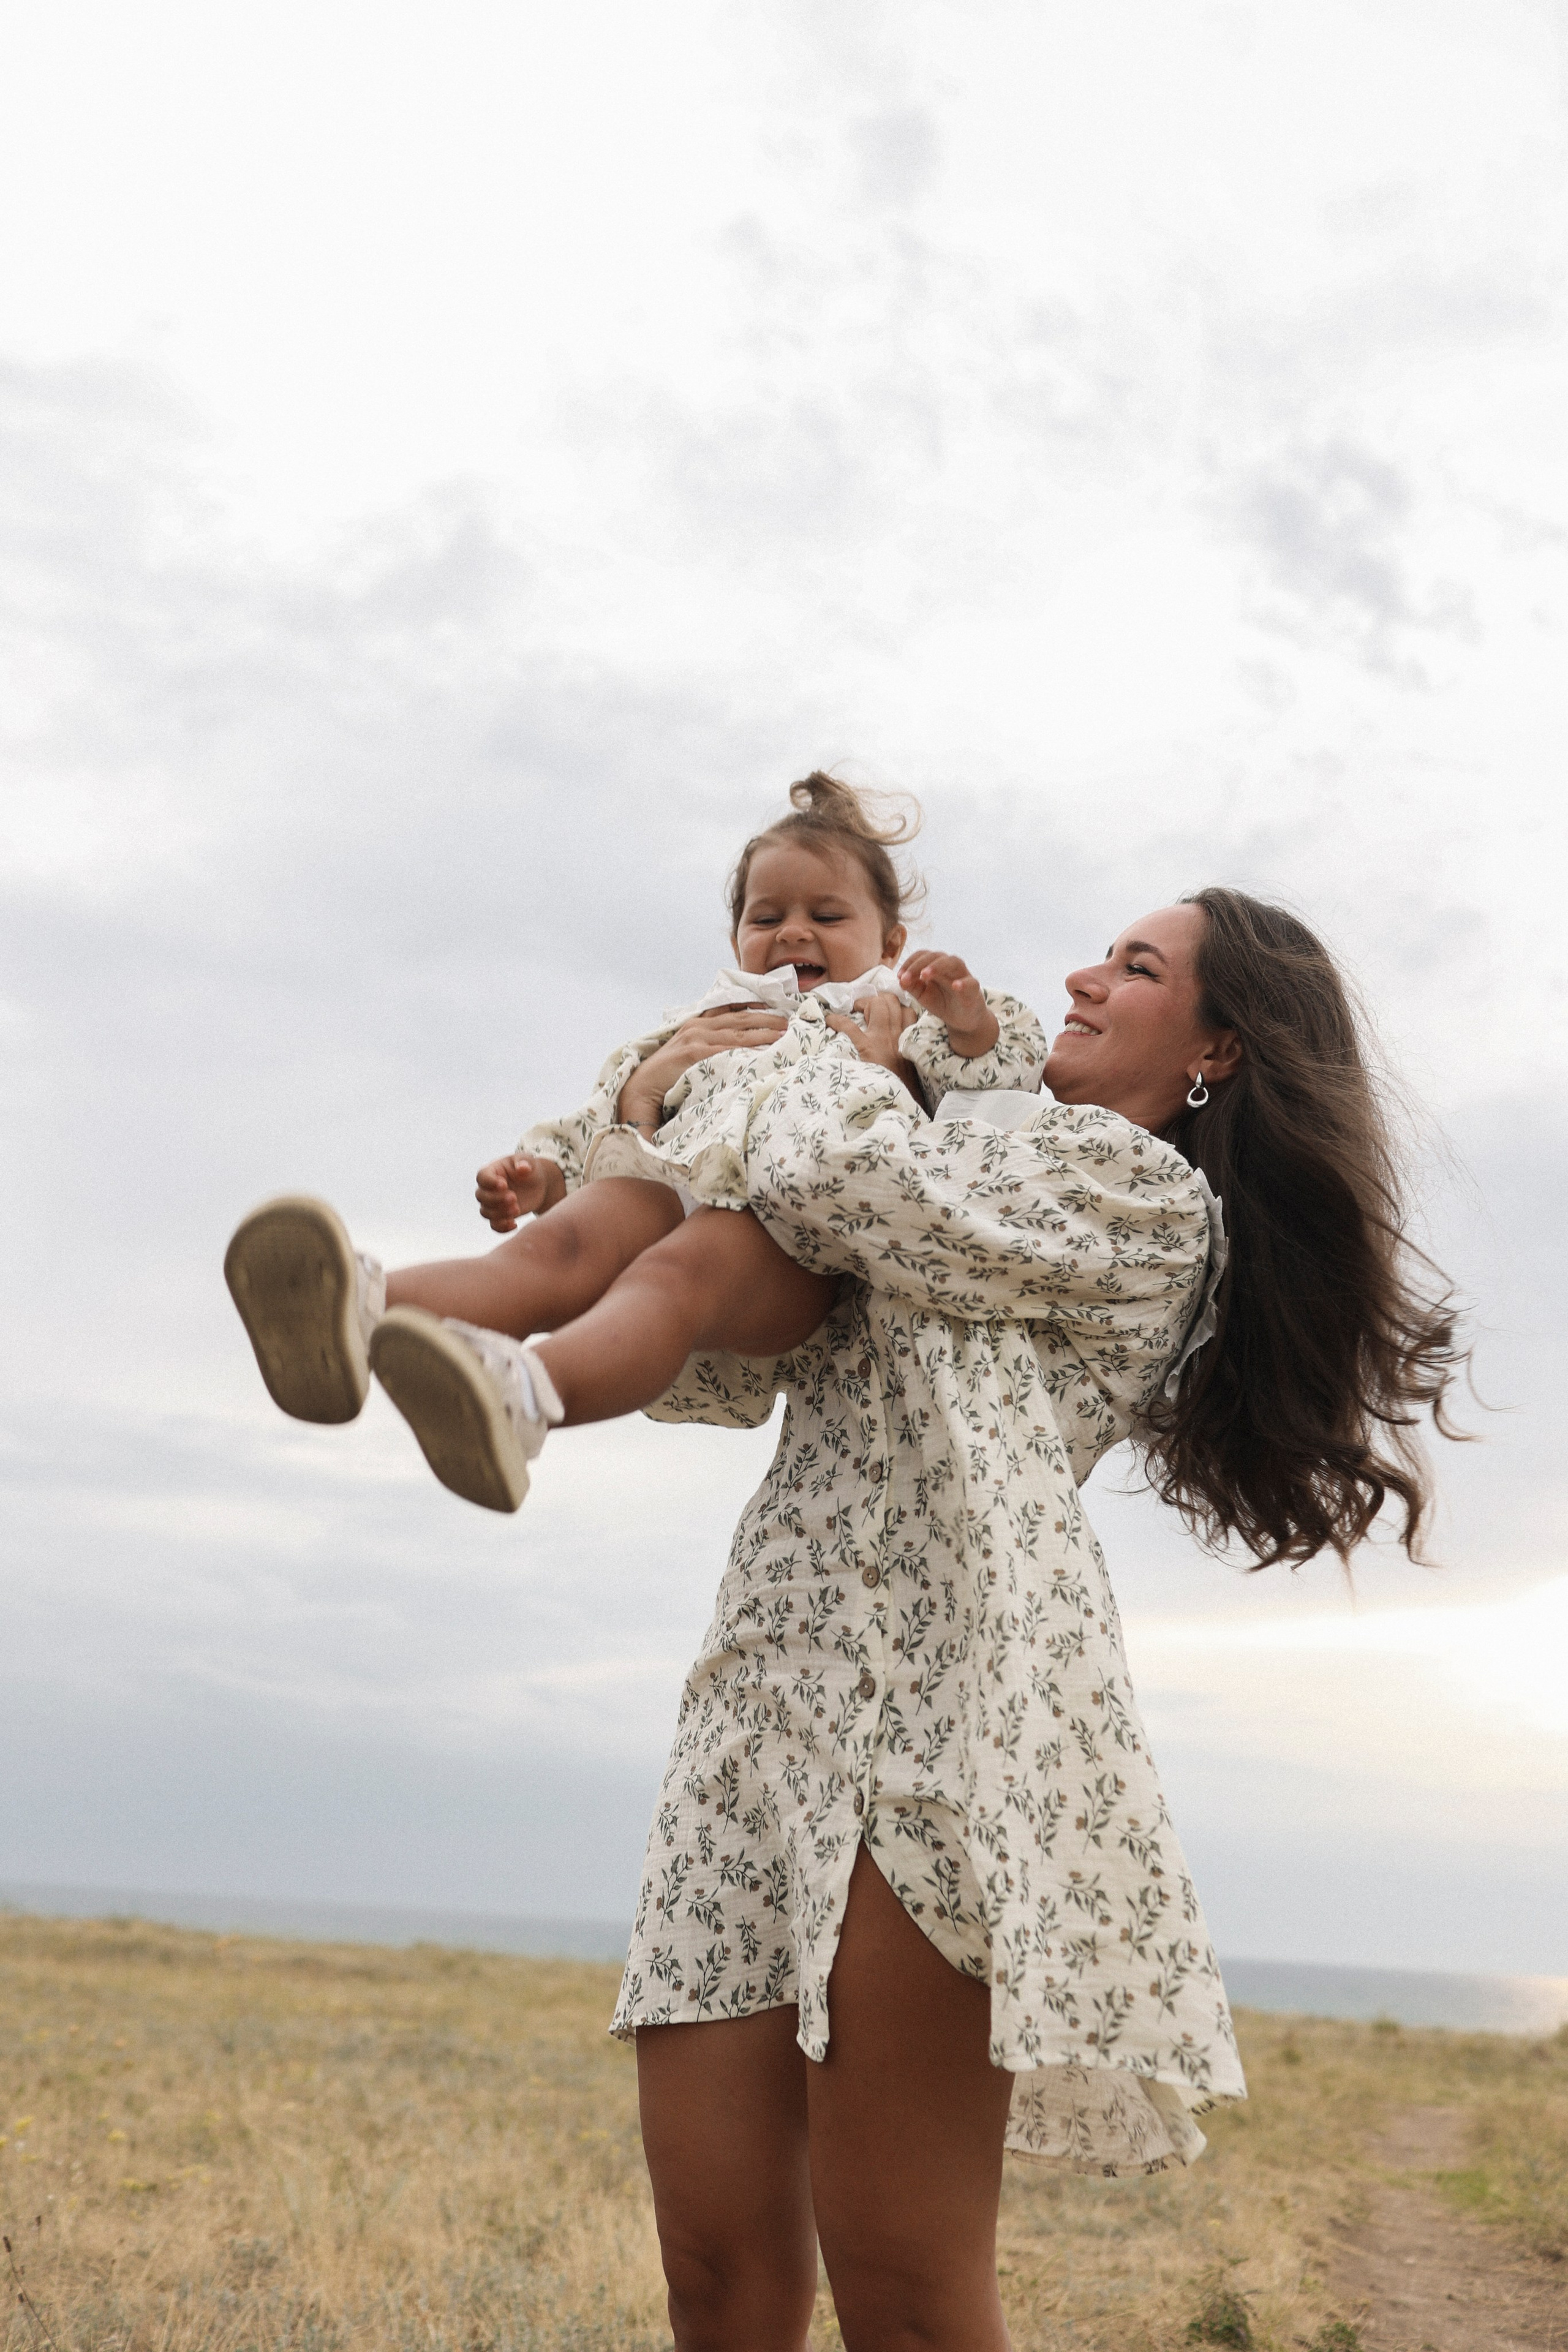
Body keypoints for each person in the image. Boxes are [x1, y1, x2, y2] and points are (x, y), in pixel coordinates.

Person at [601, 889, 1463, 2350]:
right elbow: (717, 1373)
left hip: (930, 1738)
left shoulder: (1135, 1196)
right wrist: (640, 1123)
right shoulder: (958, 1141)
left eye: (1135, 967)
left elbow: (834, 1174)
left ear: (1217, 1051)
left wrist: (844, 1046)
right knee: (714, 2269)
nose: (1080, 976)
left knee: (903, 2291)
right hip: (753, 1706)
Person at [222, 773, 1049, 1509]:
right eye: (767, 917)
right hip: (674, 1180)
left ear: (891, 942)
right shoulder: (705, 1024)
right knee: (558, 1246)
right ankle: (354, 1312)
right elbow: (607, 1117)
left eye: (826, 915)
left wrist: (968, 1018)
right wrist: (544, 1172)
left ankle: (526, 1395)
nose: (794, 932)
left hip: (794, 1233)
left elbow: (998, 1075)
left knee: (675, 1275)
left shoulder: (897, 1014)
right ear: (737, 937)